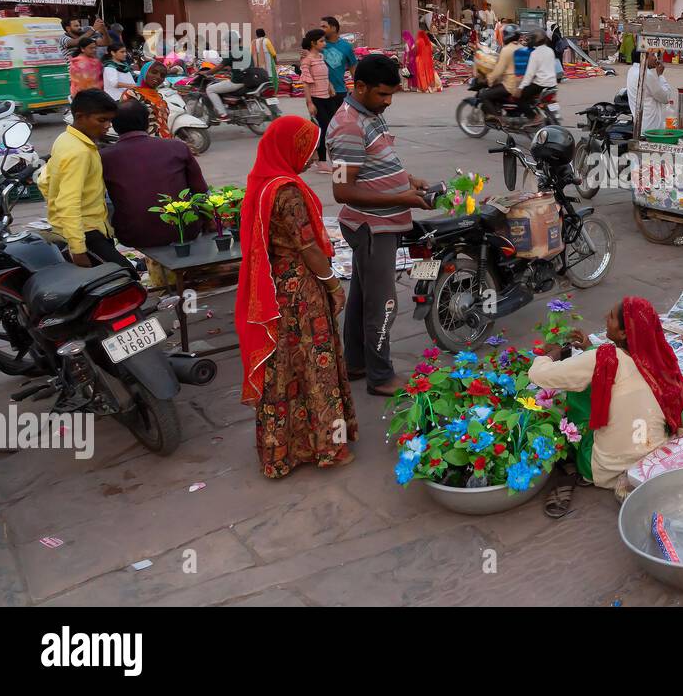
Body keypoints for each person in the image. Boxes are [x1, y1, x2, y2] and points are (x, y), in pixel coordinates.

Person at [237, 116, 357, 478]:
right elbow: (308, 247)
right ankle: (328, 447)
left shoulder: (262, 182)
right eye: (306, 148)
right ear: (290, 147)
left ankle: (280, 452)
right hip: (301, 291)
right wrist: (333, 285)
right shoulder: (286, 191)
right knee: (315, 365)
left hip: (276, 288)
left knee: (284, 368)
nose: (310, 156)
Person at [328, 55, 436, 397]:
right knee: (383, 304)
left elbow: (380, 161)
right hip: (371, 228)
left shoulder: (369, 114)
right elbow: (342, 190)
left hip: (381, 224)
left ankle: (358, 362)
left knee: (363, 299)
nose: (388, 102)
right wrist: (402, 199)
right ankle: (381, 376)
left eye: (392, 95)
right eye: (382, 94)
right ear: (359, 87)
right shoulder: (348, 126)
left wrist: (409, 181)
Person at [530, 297, 683, 495]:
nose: (605, 318)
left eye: (611, 317)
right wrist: (589, 348)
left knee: (581, 389)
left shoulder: (603, 357)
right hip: (650, 461)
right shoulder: (660, 358)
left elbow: (539, 376)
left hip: (606, 469)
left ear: (622, 333)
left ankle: (578, 456)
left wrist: (552, 355)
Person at [38, 89, 131, 269]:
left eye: (110, 120)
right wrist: (78, 250)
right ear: (80, 117)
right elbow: (68, 202)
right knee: (126, 276)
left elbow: (45, 181)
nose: (107, 126)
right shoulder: (79, 152)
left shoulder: (65, 139)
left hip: (80, 229)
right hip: (85, 232)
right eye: (102, 120)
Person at [100, 101, 208, 249]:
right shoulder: (177, 147)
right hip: (184, 231)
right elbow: (200, 190)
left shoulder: (103, 157)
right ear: (147, 122)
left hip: (133, 236)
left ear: (114, 125)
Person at [298, 28, 338, 173]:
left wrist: (330, 86)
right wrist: (309, 103)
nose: (324, 43)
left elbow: (324, 76)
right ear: (313, 43)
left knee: (330, 130)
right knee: (323, 131)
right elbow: (306, 83)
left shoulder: (320, 57)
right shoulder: (306, 60)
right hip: (316, 100)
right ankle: (321, 162)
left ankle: (316, 156)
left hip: (327, 98)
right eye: (321, 41)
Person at [120, 61, 172, 138]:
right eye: (154, 72)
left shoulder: (159, 96)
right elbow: (125, 123)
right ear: (144, 72)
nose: (158, 77)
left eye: (162, 75)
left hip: (165, 142)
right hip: (143, 143)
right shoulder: (132, 94)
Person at [625, 52, 674, 134]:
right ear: (644, 57)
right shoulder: (646, 74)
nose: (655, 58)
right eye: (652, 55)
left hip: (642, 125)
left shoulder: (632, 70)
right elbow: (666, 98)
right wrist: (660, 75)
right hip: (652, 127)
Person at [480, 24, 522, 116]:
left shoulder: (506, 50)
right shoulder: (521, 47)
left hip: (510, 85)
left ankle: (497, 118)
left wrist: (488, 79)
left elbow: (499, 70)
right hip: (520, 83)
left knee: (484, 95)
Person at [517, 30, 558, 120]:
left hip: (540, 84)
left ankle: (534, 117)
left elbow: (530, 73)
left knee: (520, 99)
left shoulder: (535, 53)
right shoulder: (550, 50)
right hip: (552, 84)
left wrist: (521, 87)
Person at [320, 15, 358, 101]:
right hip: (320, 92)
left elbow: (353, 69)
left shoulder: (346, 47)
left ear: (333, 28)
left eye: (324, 27)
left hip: (340, 91)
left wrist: (358, 90)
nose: (321, 29)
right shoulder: (318, 45)